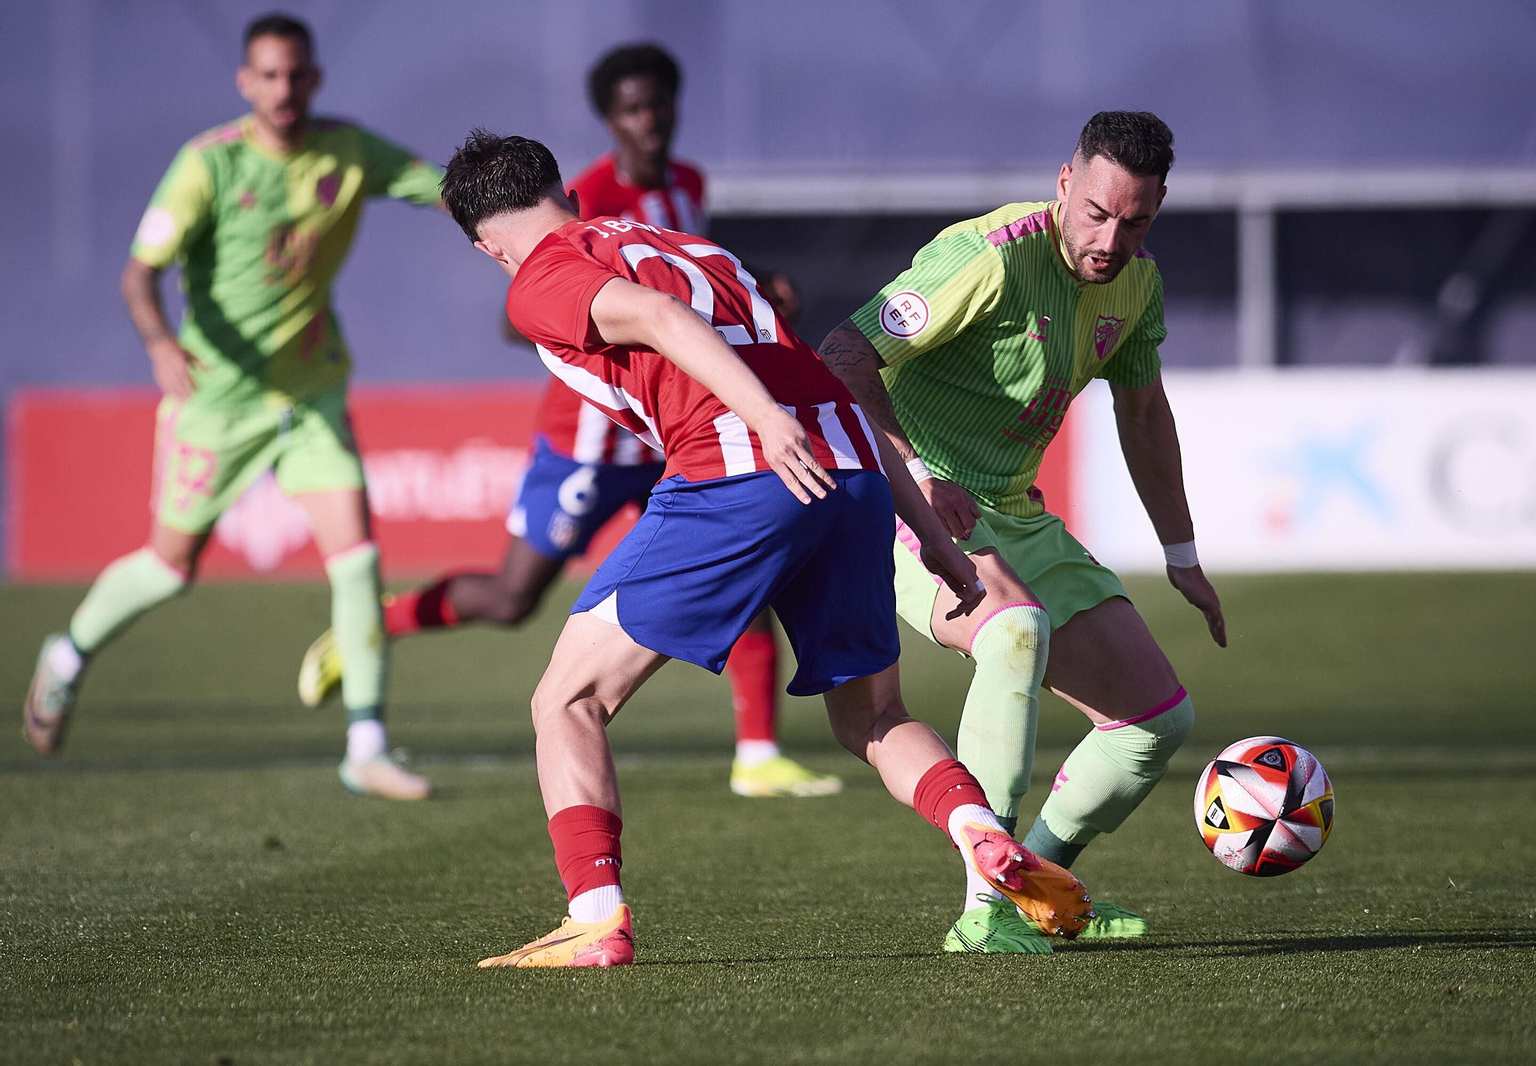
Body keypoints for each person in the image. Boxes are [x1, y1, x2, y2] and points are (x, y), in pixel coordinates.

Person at [439, 130, 1095, 967]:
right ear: (561, 190)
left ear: (486, 243)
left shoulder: (539, 277)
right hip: (851, 472)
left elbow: (655, 316)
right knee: (875, 716)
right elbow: (819, 380)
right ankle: (982, 839)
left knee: (565, 703)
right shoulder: (690, 245)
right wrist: (933, 538)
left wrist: (761, 420)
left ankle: (595, 916)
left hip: (742, 470)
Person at [295, 43, 833, 799]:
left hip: (677, 425)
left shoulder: (687, 183)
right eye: (632, 110)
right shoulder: (576, 198)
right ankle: (379, 623)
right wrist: (609, 322)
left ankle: (756, 751)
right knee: (513, 599)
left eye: (660, 105)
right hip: (589, 440)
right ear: (610, 119)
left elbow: (676, 281)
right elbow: (539, 315)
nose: (649, 122)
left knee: (742, 561)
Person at [815, 111, 1227, 953]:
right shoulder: (990, 254)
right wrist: (918, 478)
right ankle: (986, 908)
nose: (1113, 238)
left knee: (1157, 723)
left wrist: (1180, 553)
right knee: (1012, 632)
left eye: (1138, 221)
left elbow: (1143, 413)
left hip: (1014, 510)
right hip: (898, 495)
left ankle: (1037, 887)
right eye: (1098, 213)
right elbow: (840, 355)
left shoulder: (1137, 285)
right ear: (1065, 183)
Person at [21, 14, 442, 801]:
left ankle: (367, 743)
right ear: (246, 83)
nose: (284, 91)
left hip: (311, 392)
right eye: (268, 77)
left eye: (296, 76)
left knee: (357, 560)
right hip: (216, 403)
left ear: (313, 80)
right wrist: (158, 344)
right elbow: (139, 276)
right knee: (169, 567)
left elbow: (444, 192)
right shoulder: (206, 166)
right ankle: (68, 654)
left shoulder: (347, 150)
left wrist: (524, 222)